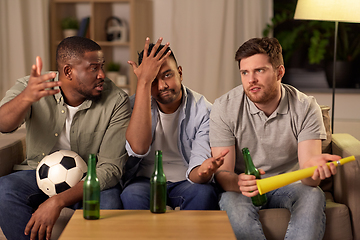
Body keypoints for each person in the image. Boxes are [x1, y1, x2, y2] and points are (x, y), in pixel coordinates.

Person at [0, 36, 131, 240]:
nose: (102, 74)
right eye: (93, 68)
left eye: (102, 66)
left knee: (110, 205)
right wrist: (26, 97)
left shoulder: (116, 100)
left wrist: (57, 201)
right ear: (69, 71)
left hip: (91, 179)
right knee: (4, 190)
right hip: (38, 172)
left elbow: (111, 168)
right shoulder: (32, 86)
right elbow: (3, 125)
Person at [210, 37, 341, 240]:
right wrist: (238, 182)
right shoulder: (224, 107)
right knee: (230, 202)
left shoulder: (306, 107)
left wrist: (315, 169)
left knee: (313, 195)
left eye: (259, 71)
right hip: (245, 188)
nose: (250, 79)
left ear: (279, 72)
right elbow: (223, 173)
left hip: (290, 185)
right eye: (245, 73)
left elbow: (308, 177)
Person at [120, 37, 228, 210]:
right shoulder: (131, 106)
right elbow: (138, 148)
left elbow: (197, 171)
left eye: (167, 75)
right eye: (153, 80)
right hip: (144, 180)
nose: (162, 86)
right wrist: (143, 82)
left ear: (180, 72)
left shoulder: (205, 111)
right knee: (131, 195)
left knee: (204, 193)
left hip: (186, 179)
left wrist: (204, 171)